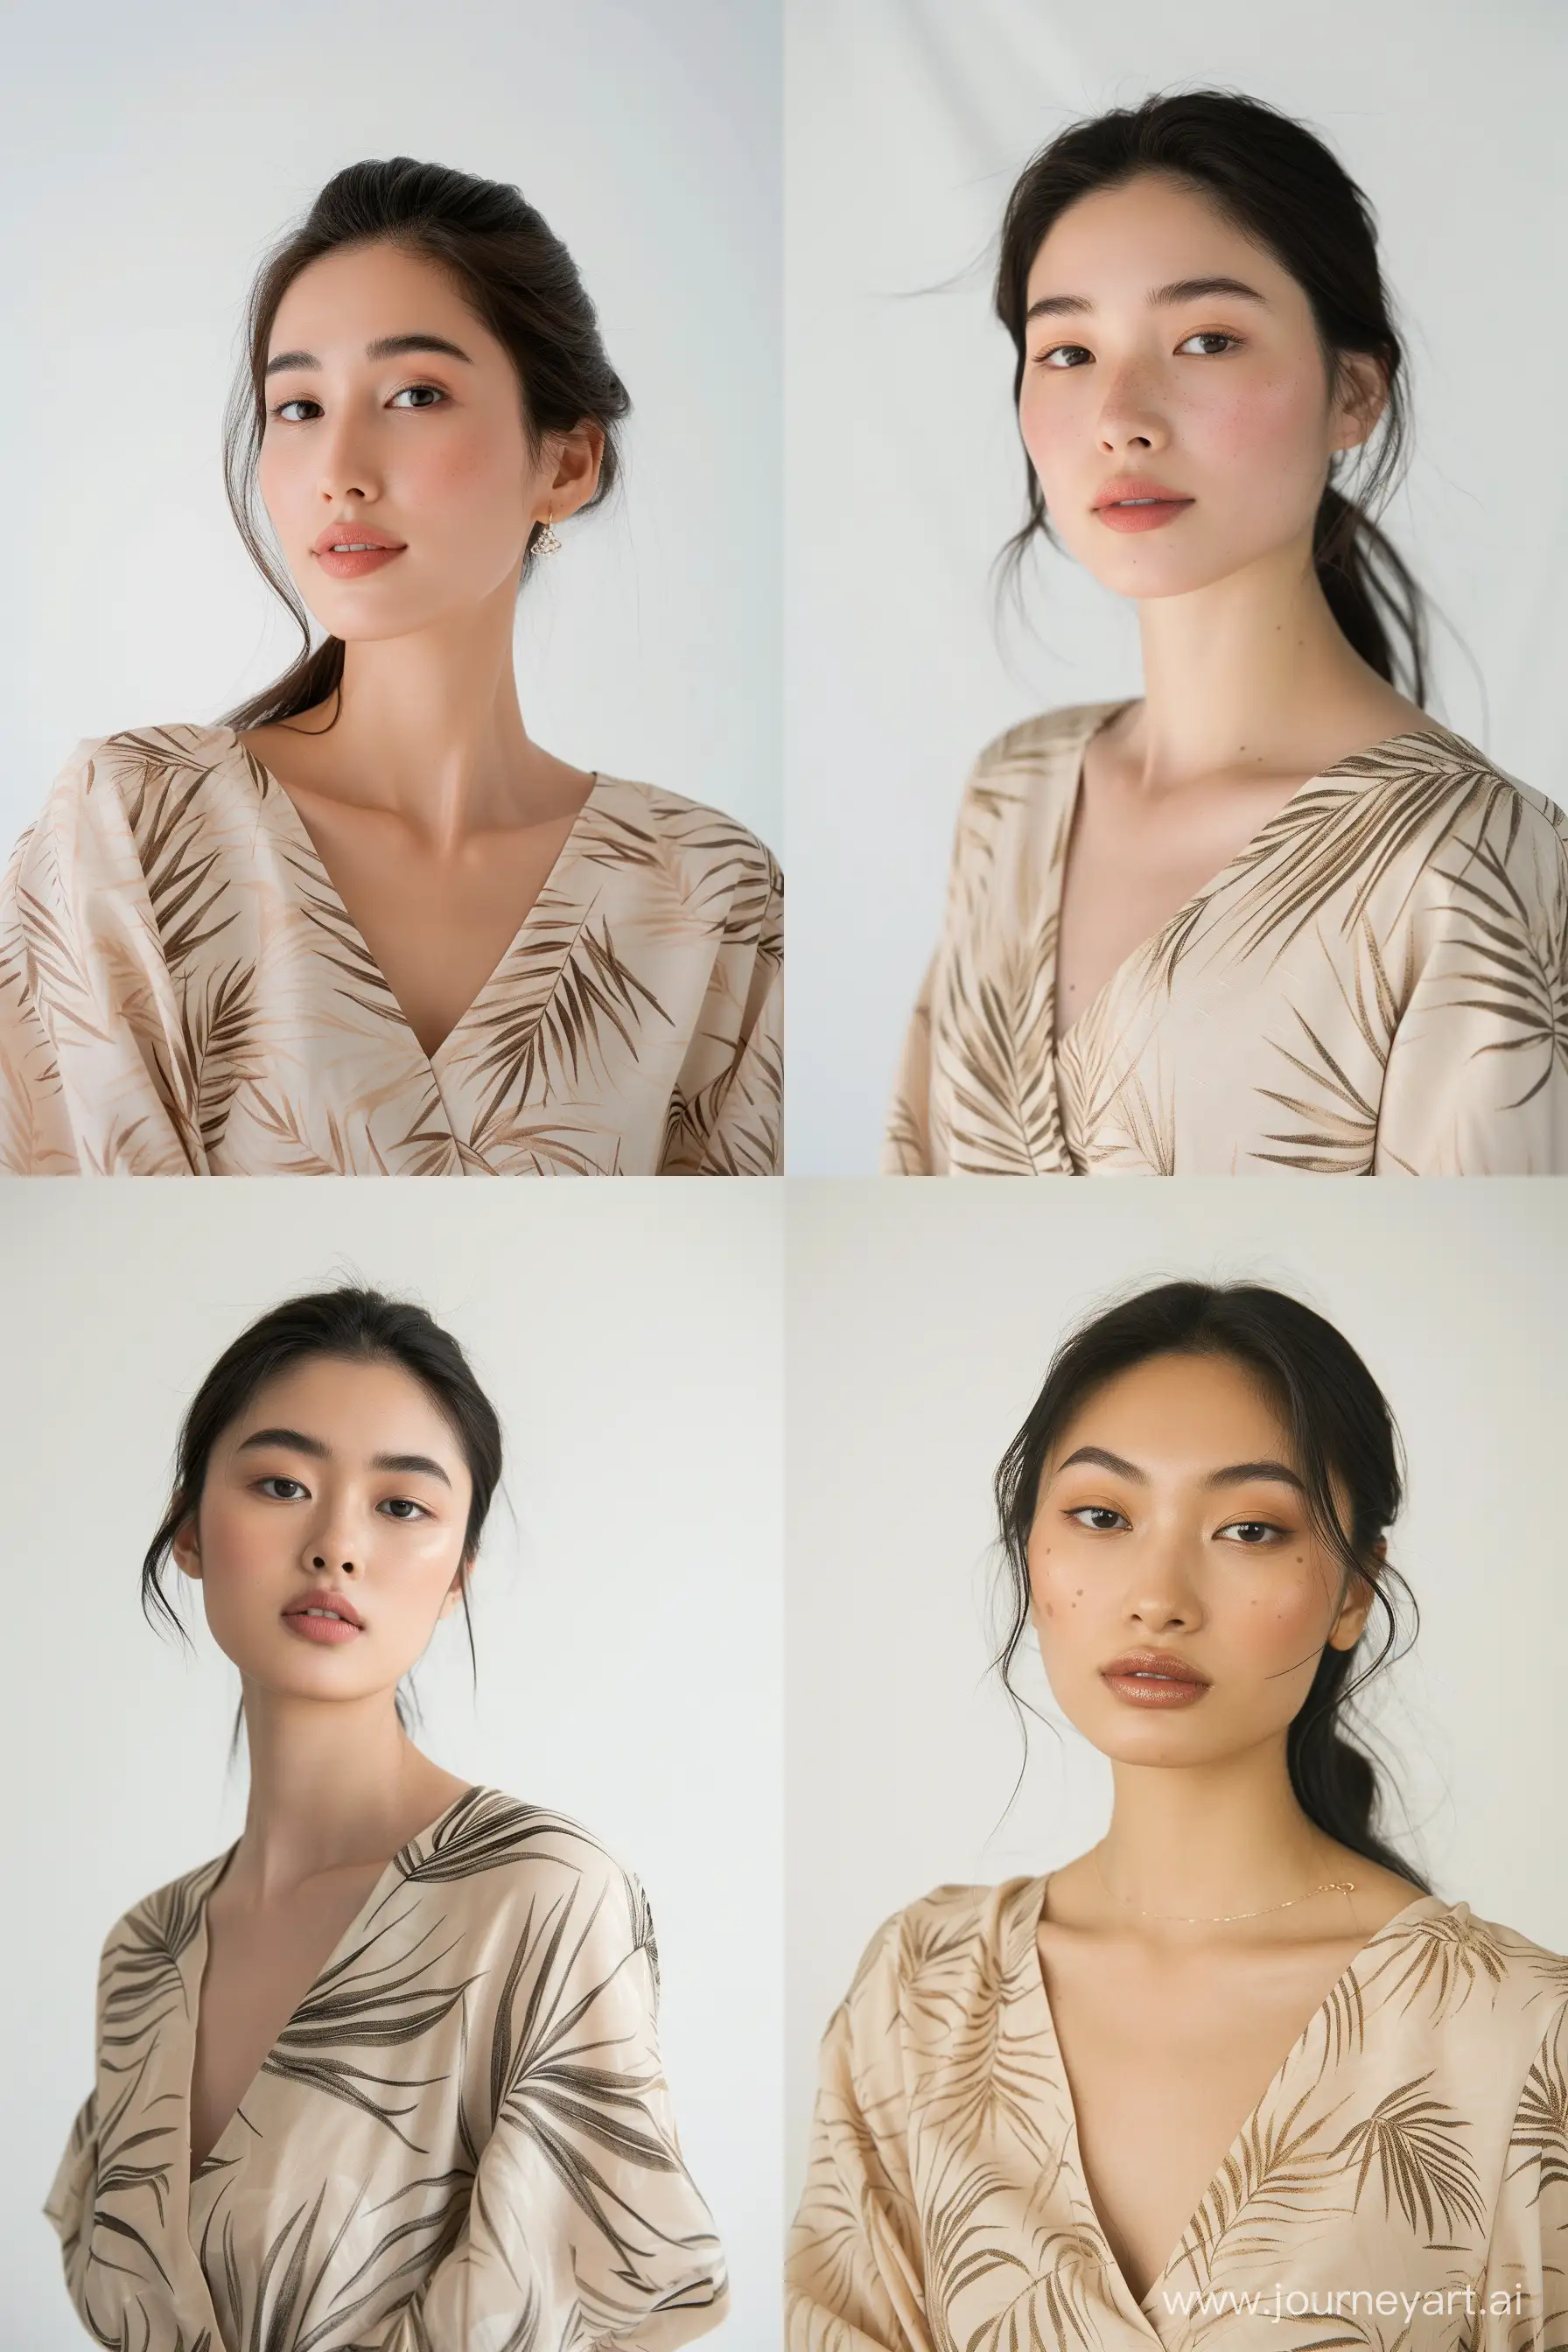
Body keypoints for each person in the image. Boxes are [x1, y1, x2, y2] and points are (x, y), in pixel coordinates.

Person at [787, 1281, 1567, 2347]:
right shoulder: (921, 1998)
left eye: (1249, 1528)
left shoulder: (1517, 2035)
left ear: (1352, 1592)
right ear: (1031, 1550)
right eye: (1101, 1516)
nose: (1158, 1595)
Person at [0, 158, 781, 1176]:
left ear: (567, 463)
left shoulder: (704, 893)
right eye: (298, 409)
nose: (338, 472)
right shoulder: (136, 827)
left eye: (415, 394)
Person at [885, 91, 1568, 1177]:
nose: (1122, 414)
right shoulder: (1010, 797)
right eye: (1066, 352)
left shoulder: (1468, 864)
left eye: (1206, 339)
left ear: (1353, 394)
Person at [46, 1286, 728, 2350]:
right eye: (280, 1484)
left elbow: (624, 2306)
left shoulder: (538, 1898)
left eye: (402, 1506)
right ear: (188, 1527)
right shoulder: (143, 1953)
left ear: (458, 1575)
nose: (336, 1546)